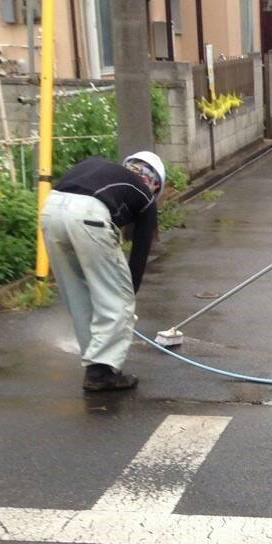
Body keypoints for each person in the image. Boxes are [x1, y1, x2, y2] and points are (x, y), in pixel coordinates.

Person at [39, 152, 165, 392]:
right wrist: (127, 295)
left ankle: (95, 364)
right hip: (89, 216)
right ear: (155, 183)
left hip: (51, 209)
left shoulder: (100, 167)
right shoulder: (145, 196)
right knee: (117, 297)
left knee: (78, 295)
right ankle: (101, 371)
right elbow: (138, 259)